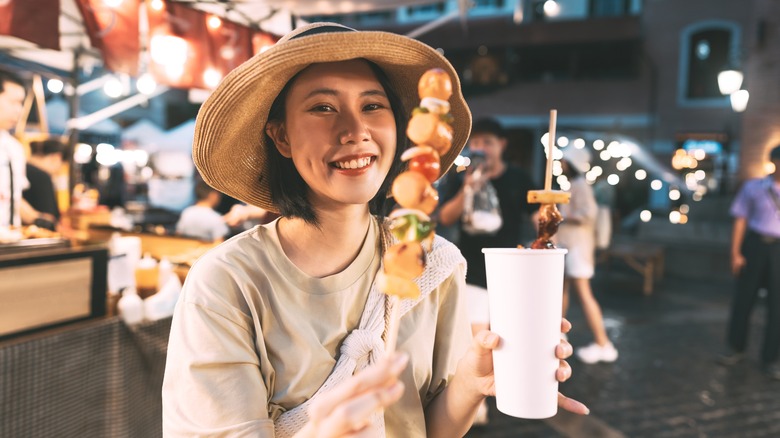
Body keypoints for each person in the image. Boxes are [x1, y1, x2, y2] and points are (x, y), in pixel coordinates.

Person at [162, 22, 588, 437]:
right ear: (281, 136)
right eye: (323, 107)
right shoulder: (227, 282)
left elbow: (428, 428)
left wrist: (473, 381)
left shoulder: (433, 263)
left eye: (372, 106)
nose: (355, 131)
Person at [438, 118, 538, 289]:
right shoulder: (461, 179)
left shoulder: (519, 178)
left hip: (510, 269)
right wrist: (467, 189)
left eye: (488, 143)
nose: (481, 149)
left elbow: (537, 214)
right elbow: (445, 218)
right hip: (470, 271)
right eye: (476, 143)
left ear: (502, 144)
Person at [719, 144, 780, 380]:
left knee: (777, 306)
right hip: (755, 245)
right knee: (744, 298)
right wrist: (735, 253)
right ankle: (736, 347)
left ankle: (771, 358)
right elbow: (740, 220)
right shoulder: (754, 187)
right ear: (772, 162)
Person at [557, 147, 618, 364]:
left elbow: (588, 213)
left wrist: (565, 215)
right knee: (562, 289)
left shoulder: (580, 185)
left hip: (578, 249)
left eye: (564, 160)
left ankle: (603, 343)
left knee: (584, 293)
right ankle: (558, 333)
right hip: (571, 246)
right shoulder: (575, 184)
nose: (561, 164)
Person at [0, 69, 32, 228]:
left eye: (21, 104)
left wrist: (37, 218)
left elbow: (14, 198)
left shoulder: (14, 148)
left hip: (10, 241)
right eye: (14, 102)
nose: (19, 111)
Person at [23, 138, 66, 231]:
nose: (59, 170)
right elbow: (49, 215)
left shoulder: (19, 167)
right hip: (37, 236)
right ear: (57, 157)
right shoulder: (42, 177)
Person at [175, 178, 229, 242]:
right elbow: (219, 243)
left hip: (187, 250)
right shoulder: (216, 218)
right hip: (207, 251)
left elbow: (178, 235)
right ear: (213, 195)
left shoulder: (187, 212)